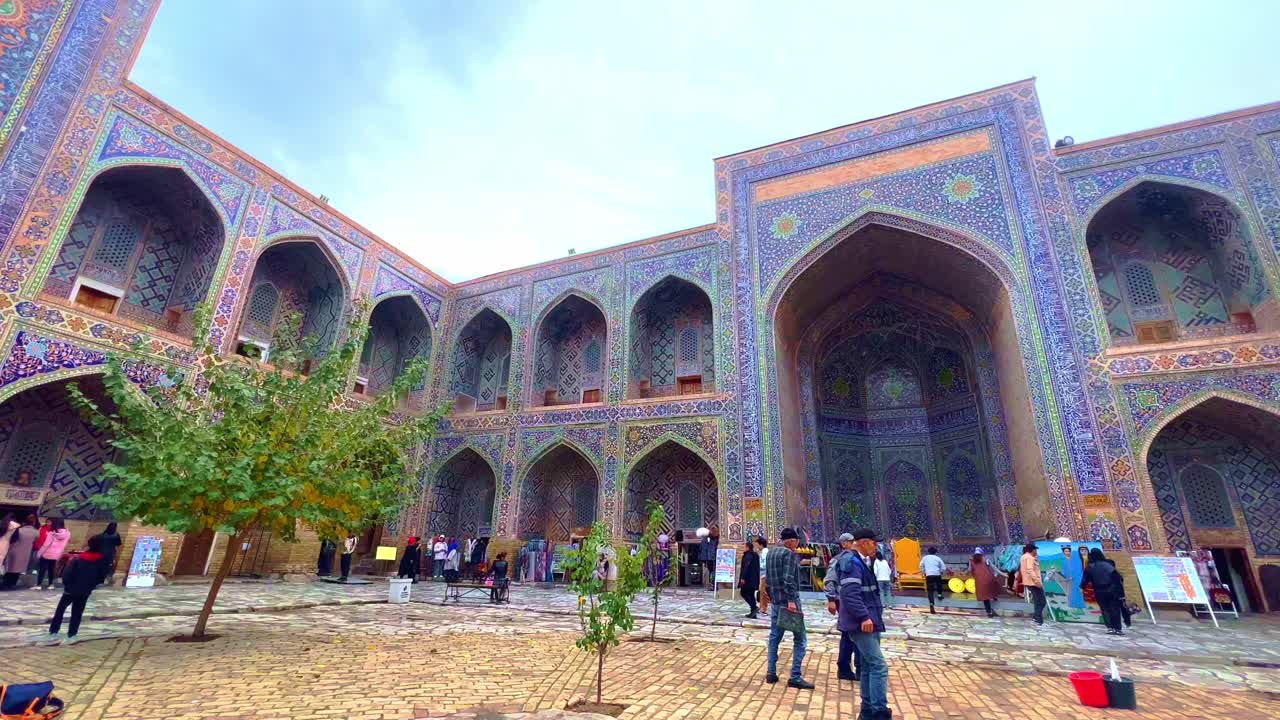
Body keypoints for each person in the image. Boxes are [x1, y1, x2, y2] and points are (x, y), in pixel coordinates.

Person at [839, 528, 891, 720]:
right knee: (878, 665)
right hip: (862, 623)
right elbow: (850, 594)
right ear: (863, 542)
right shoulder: (852, 562)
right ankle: (879, 711)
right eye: (874, 543)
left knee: (869, 665)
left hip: (869, 620)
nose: (876, 547)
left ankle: (868, 710)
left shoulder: (862, 562)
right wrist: (863, 617)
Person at [765, 527, 813, 689]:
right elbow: (788, 579)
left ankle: (771, 672)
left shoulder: (771, 553)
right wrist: (792, 600)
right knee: (800, 639)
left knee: (774, 638)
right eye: (797, 541)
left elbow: (767, 578)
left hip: (776, 602)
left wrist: (770, 596)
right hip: (789, 602)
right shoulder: (789, 554)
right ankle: (795, 676)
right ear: (792, 541)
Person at [41, 535, 110, 645]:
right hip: (85, 590)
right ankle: (72, 634)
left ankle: (54, 631)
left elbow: (67, 573)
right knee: (77, 612)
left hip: (70, 589)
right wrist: (91, 585)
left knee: (60, 610)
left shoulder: (79, 558)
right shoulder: (102, 561)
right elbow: (101, 577)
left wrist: (67, 584)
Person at [825, 532, 862, 682]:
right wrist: (831, 599)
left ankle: (847, 668)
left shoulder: (857, 558)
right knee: (854, 634)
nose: (855, 544)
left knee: (850, 634)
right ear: (844, 543)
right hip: (846, 601)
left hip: (857, 601)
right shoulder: (839, 559)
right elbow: (830, 579)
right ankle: (854, 668)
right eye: (852, 541)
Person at [1080, 548, 1126, 635]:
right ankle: (1118, 628)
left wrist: (1082, 587)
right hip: (1112, 590)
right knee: (1115, 609)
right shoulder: (1108, 564)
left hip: (1099, 591)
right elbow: (1117, 577)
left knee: (1105, 609)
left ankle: (1110, 628)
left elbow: (1085, 579)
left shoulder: (1090, 566)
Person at [1, 515, 38, 589]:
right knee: (18, 569)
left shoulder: (19, 530)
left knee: (10, 568)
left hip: (13, 550)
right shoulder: (36, 532)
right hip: (25, 552)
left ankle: (6, 583)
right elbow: (35, 541)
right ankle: (12, 584)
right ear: (34, 523)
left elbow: (12, 539)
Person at [36, 519, 69, 590]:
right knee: (51, 569)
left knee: (42, 569)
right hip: (57, 554)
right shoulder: (68, 533)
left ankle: (38, 585)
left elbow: (46, 544)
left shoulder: (52, 533)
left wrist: (39, 553)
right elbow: (65, 544)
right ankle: (51, 584)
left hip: (47, 553)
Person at [1019, 542, 1046, 625]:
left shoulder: (1023, 557)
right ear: (1032, 550)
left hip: (1029, 582)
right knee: (1041, 601)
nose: (1036, 551)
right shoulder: (1030, 558)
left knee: (1038, 601)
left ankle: (1036, 617)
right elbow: (1030, 570)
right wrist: (1037, 581)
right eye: (1035, 550)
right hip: (1034, 583)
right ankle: (1038, 619)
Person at [968, 548, 999, 618]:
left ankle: (989, 612)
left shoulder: (972, 561)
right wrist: (1001, 574)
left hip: (980, 582)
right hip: (989, 580)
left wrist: (970, 563)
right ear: (982, 554)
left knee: (985, 598)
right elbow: (994, 568)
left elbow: (969, 570)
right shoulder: (986, 560)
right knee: (992, 591)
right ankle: (994, 600)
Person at [920, 546, 946, 613]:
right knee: (939, 584)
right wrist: (940, 571)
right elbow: (943, 567)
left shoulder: (925, 558)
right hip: (937, 574)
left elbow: (921, 565)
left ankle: (931, 605)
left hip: (929, 575)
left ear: (928, 552)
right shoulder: (938, 558)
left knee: (930, 590)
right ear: (935, 552)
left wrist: (924, 571)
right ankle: (939, 595)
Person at [738, 540, 760, 618]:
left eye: (744, 546)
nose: (743, 548)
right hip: (754, 579)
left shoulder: (748, 555)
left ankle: (754, 607)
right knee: (751, 594)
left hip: (748, 579)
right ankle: (753, 613)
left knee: (743, 593)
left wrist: (743, 578)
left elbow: (746, 567)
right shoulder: (755, 555)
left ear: (747, 547)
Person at [701, 526, 720, 590]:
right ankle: (713, 585)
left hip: (712, 558)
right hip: (711, 558)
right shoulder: (708, 539)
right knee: (712, 571)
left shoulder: (713, 539)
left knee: (713, 572)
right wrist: (704, 559)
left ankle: (714, 585)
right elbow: (704, 549)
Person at [754, 537, 770, 615]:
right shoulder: (763, 552)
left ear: (761, 545)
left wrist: (757, 566)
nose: (757, 547)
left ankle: (764, 609)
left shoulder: (765, 552)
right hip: (763, 574)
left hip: (764, 574)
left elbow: (764, 564)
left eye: (758, 545)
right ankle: (761, 607)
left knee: (763, 592)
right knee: (761, 592)